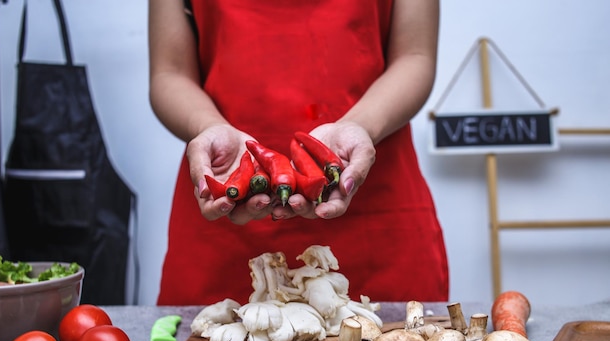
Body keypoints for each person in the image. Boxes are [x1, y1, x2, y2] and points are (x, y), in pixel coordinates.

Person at [148, 0, 449, 306]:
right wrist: (207, 125)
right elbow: (169, 73)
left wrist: (361, 125)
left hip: (372, 208)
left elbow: (415, 57)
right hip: (223, 213)